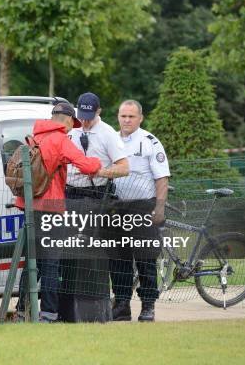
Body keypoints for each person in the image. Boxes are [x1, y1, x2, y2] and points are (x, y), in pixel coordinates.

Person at [15, 102, 102, 322]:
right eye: (72, 124)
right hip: (51, 208)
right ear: (67, 121)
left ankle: (21, 310)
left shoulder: (35, 136)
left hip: (28, 205)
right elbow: (87, 166)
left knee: (31, 262)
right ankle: (49, 313)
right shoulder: (60, 139)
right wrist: (98, 161)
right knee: (51, 263)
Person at [59, 92, 129, 322]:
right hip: (70, 196)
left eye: (89, 116)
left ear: (98, 112)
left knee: (91, 255)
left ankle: (93, 310)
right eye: (82, 115)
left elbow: (124, 168)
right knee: (69, 253)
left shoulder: (108, 134)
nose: (85, 121)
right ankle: (67, 311)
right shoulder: (71, 130)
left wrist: (99, 171)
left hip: (96, 197)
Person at [110, 100, 170, 322]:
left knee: (145, 260)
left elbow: (162, 177)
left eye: (131, 117)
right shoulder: (112, 140)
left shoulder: (149, 142)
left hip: (143, 208)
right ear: (118, 116)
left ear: (140, 118)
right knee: (118, 260)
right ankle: (122, 305)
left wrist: (159, 208)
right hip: (118, 209)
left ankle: (148, 306)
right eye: (123, 116)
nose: (126, 120)